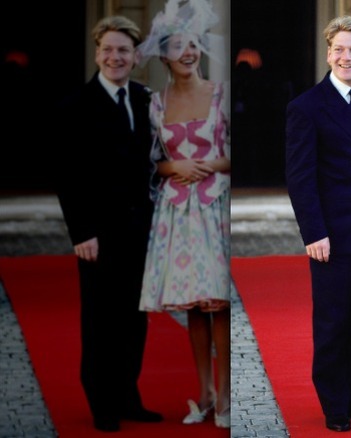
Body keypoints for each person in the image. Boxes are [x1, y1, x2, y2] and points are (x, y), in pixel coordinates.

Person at [285, 15, 351, 433]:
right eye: (339, 49)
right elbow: (300, 177)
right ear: (328, 52)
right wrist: (314, 233)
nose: (346, 57)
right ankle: (334, 404)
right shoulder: (306, 107)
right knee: (332, 322)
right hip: (331, 235)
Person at [55, 16, 162, 432]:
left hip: (142, 230)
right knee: (101, 320)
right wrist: (81, 232)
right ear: (97, 53)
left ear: (135, 56)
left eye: (123, 50)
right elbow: (68, 177)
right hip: (97, 235)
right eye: (108, 50)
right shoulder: (75, 106)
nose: (115, 57)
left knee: (135, 318)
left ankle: (127, 394)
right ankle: (101, 401)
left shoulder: (145, 99)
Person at [136, 0, 231, 429]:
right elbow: (148, 161)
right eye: (178, 46)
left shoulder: (221, 95)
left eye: (193, 44)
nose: (188, 52)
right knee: (195, 305)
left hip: (215, 208)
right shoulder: (155, 104)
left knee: (221, 304)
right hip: (177, 211)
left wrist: (211, 165)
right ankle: (206, 392)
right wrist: (172, 167)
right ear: (164, 55)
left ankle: (228, 395)